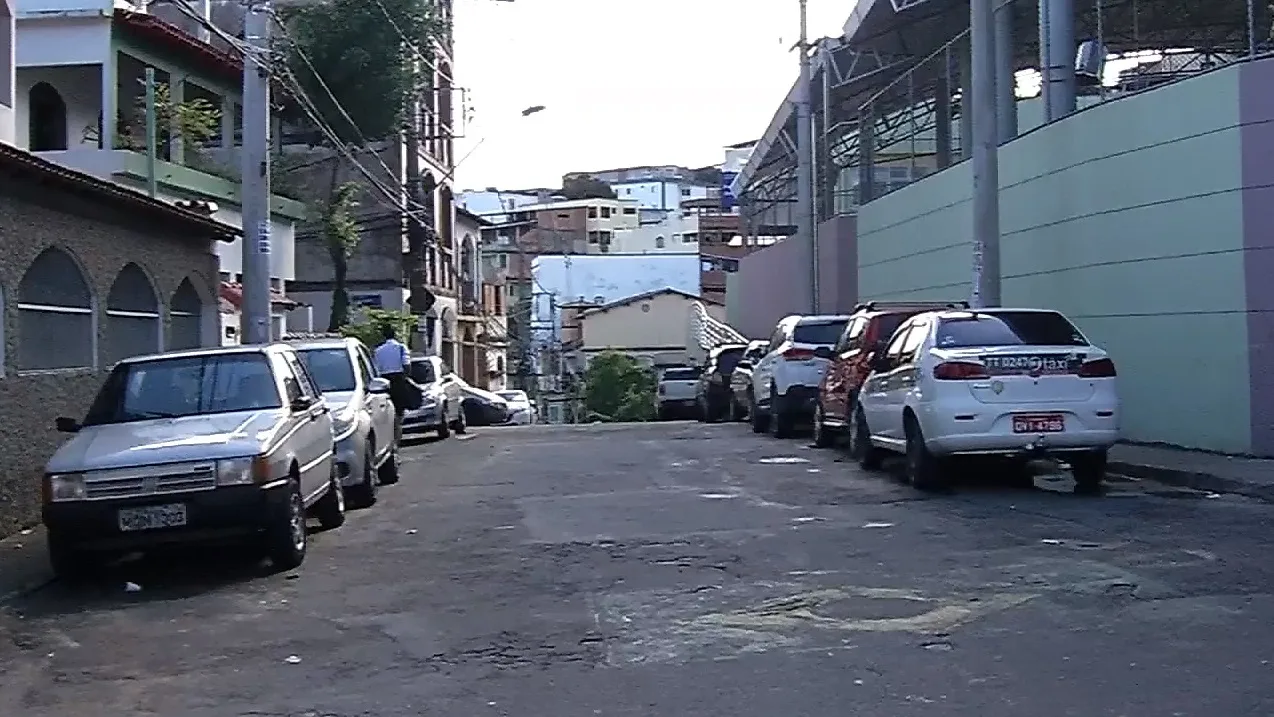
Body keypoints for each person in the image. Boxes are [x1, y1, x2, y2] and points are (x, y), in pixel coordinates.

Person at [373, 324, 414, 443]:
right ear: (394, 335)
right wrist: (406, 377)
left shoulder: (378, 350)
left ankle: (388, 440)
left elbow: (376, 369)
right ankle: (396, 440)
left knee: (386, 414)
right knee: (399, 414)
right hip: (398, 381)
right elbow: (407, 366)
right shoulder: (401, 348)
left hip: (383, 383)